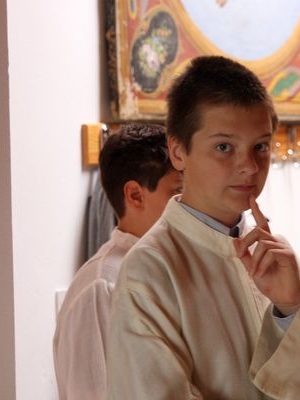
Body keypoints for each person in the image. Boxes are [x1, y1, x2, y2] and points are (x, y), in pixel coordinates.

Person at [106, 55, 300, 400]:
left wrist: (293, 307)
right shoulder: (149, 270)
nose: (250, 167)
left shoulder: (275, 253)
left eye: (260, 147)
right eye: (224, 147)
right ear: (178, 152)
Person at [53, 123, 183, 400]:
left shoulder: (175, 267)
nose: (191, 205)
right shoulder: (102, 286)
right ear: (135, 195)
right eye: (178, 193)